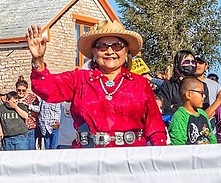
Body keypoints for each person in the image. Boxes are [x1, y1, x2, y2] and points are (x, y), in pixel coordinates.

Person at [27, 20, 167, 147]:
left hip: (131, 160)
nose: (110, 51)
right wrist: (38, 60)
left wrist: (159, 162)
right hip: (88, 160)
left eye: (117, 46)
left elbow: (156, 129)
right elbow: (46, 89)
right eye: (102, 46)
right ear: (93, 52)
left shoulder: (140, 84)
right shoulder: (79, 80)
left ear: (126, 52)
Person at [156, 50, 209, 116]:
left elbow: (204, 109)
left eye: (193, 62)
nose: (190, 64)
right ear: (178, 64)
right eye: (186, 62)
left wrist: (174, 106)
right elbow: (164, 109)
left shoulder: (202, 86)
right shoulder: (168, 86)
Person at [169, 77, 216, 145]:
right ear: (188, 94)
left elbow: (212, 138)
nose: (204, 96)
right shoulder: (180, 116)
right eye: (201, 93)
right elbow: (178, 144)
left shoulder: (202, 113)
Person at [15, 76, 40, 150]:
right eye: (19, 90)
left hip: (30, 128)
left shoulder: (32, 98)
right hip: (17, 129)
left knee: (30, 150)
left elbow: (38, 113)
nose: (21, 92)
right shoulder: (13, 98)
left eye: (23, 90)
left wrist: (28, 112)